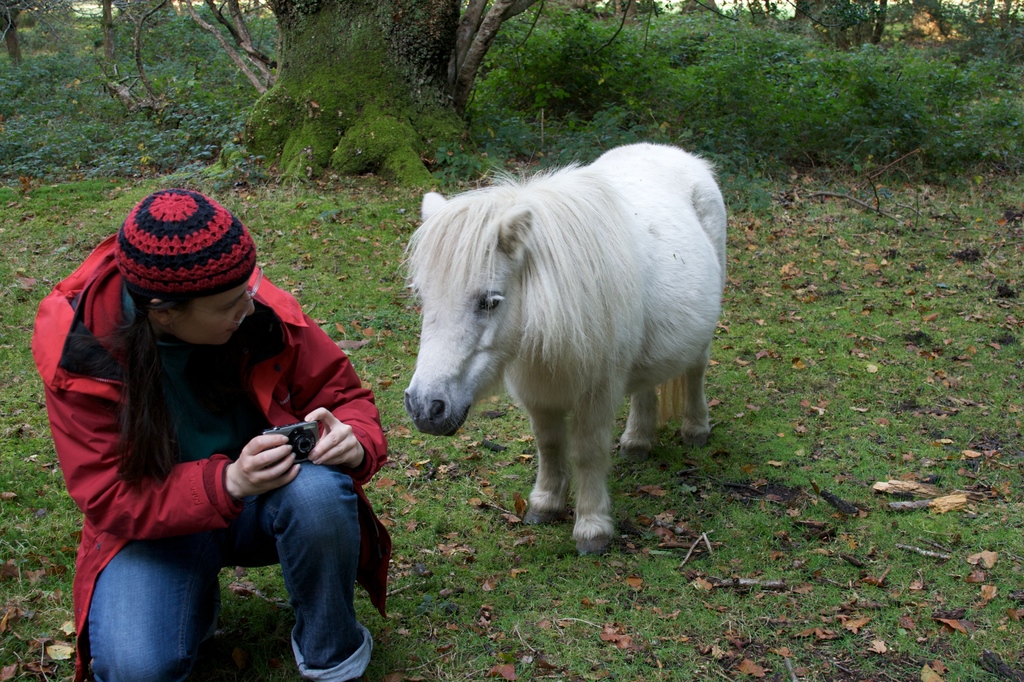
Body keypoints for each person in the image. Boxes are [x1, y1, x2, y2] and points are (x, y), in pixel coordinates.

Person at [32, 188, 391, 682]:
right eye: (229, 304)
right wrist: (228, 483)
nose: (250, 304)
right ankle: (188, 598)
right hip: (151, 530)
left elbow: (344, 394)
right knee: (138, 669)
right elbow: (109, 495)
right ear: (163, 311)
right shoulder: (81, 351)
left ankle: (332, 653)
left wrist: (354, 439)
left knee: (319, 493)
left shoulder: (247, 300)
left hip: (268, 504)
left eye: (249, 287)